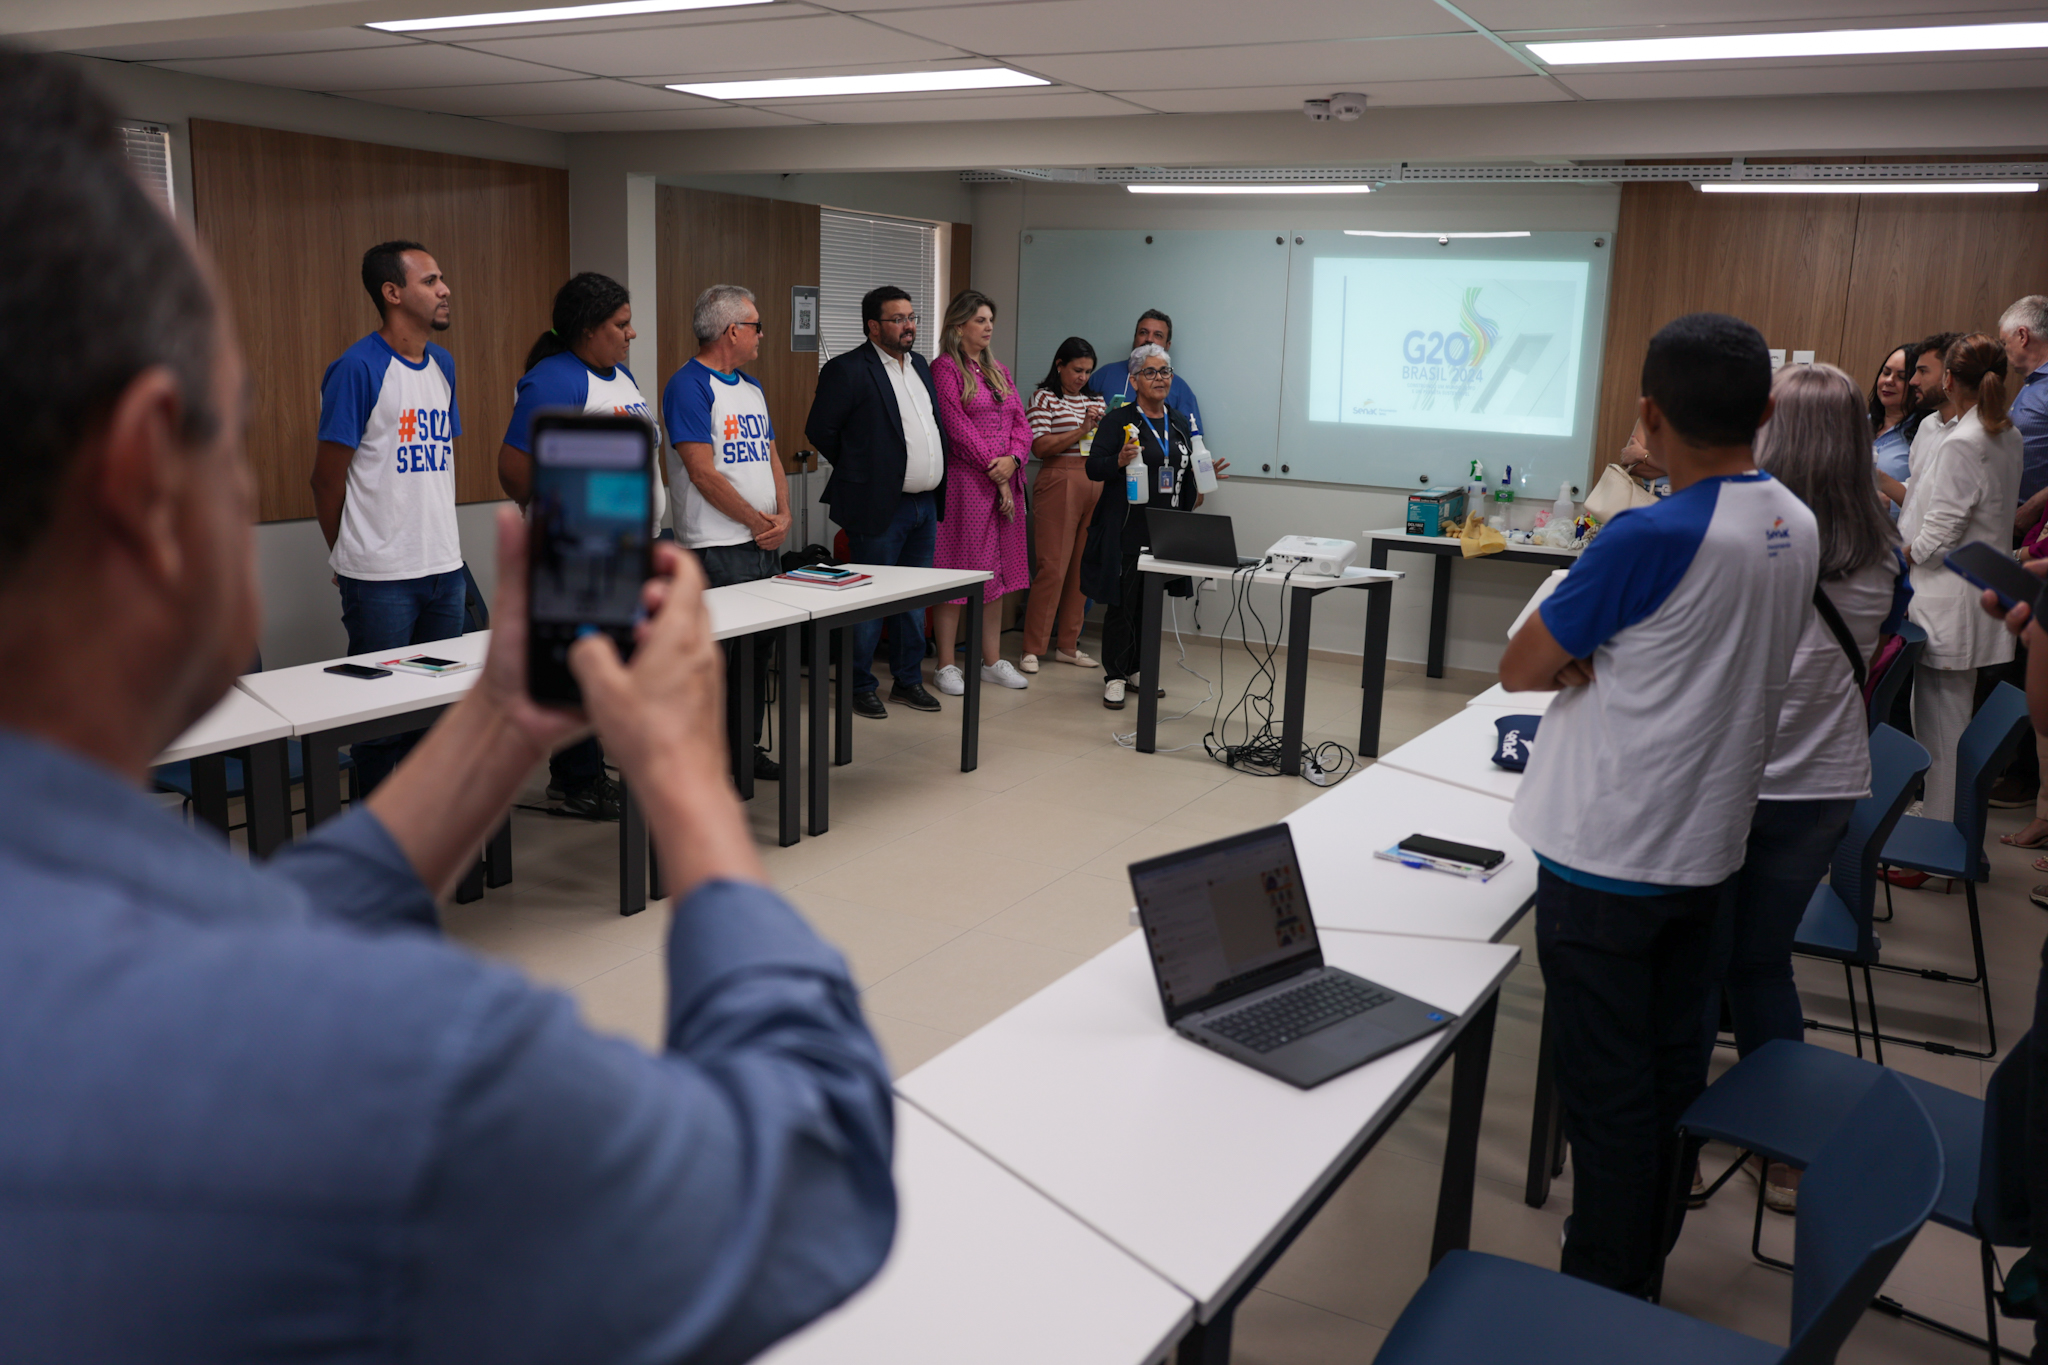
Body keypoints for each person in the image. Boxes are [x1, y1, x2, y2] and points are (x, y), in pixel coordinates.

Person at [0, 47, 894, 1360]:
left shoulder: (88, 938)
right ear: (144, 473)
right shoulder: (398, 1073)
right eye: (225, 419)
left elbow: (238, 950)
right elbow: (807, 1184)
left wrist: (497, 722)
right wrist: (684, 770)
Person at [1501, 313, 1818, 1298]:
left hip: (1605, 859)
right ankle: (1640, 1278)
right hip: (1708, 850)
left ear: (1647, 413)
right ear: (1766, 410)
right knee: (1672, 1082)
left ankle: (1603, 1301)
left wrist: (1586, 651)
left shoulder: (1647, 534)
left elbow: (1521, 665)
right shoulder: (1793, 522)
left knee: (1605, 1103)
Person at [1714, 362, 1910, 1212]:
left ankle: (1672, 1147)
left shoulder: (1744, 539)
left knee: (1694, 967)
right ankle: (1780, 1154)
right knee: (1762, 965)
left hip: (1733, 782)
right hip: (1824, 784)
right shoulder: (1884, 551)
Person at [496, 270, 659, 820]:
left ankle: (588, 771)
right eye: (622, 324)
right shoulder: (555, 379)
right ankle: (574, 781)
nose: (631, 334)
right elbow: (514, 471)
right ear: (588, 329)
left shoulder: (619, 377)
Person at [310, 238, 462, 794]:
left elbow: (436, 466)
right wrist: (346, 554)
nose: (445, 290)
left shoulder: (442, 363)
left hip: (445, 570)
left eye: (441, 279)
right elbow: (326, 479)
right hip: (380, 579)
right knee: (378, 725)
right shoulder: (356, 368)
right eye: (430, 282)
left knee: (434, 717)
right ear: (392, 293)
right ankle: (374, 848)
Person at [663, 284, 790, 781]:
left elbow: (772, 455)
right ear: (732, 330)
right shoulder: (689, 385)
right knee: (715, 662)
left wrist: (783, 514)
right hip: (717, 547)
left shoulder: (751, 387)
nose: (762, 335)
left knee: (757, 655)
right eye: (757, 326)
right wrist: (758, 522)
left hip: (760, 543)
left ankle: (744, 749)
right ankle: (709, 760)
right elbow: (702, 472)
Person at [806, 285, 947, 720]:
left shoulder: (920, 366)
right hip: (878, 507)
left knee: (912, 600)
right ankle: (858, 684)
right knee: (868, 602)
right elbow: (821, 430)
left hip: (924, 505)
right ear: (873, 326)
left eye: (912, 317)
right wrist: (863, 472)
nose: (909, 326)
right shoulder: (848, 369)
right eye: (898, 319)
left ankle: (907, 681)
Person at [1899, 334, 2021, 823]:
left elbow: (1939, 537)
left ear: (1949, 380)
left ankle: (1937, 836)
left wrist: (1901, 552)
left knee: (1940, 731)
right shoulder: (2003, 433)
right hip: (1970, 597)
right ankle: (1943, 819)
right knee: (1946, 722)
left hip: (1946, 599)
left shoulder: (1965, 442)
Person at [1080, 343, 1201, 710]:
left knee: (1150, 605)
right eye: (1150, 372)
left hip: (1165, 528)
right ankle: (1115, 675)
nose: (1159, 378)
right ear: (1134, 380)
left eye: (1165, 371)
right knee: (1123, 603)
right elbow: (1093, 468)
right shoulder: (1119, 420)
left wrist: (1202, 478)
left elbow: (1186, 465)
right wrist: (1117, 460)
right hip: (1127, 526)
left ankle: (1138, 669)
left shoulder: (1178, 421)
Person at [929, 289, 1032, 694]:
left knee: (997, 575)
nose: (988, 327)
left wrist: (1016, 461)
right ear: (958, 326)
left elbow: (1022, 426)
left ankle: (991, 660)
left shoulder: (999, 371)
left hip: (1006, 484)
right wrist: (999, 471)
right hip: (968, 486)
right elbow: (957, 427)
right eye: (980, 320)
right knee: (957, 572)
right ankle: (946, 665)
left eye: (991, 320)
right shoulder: (945, 369)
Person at [1022, 336, 1105, 673]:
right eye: (1076, 370)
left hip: (1094, 481)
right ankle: (1032, 647)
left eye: (1087, 371)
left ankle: (1068, 645)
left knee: (1081, 570)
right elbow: (1039, 447)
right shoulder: (1044, 398)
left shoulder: (1096, 400)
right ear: (1060, 365)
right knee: (1053, 567)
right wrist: (1082, 429)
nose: (1082, 377)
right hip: (1058, 480)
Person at [1088, 308, 1205, 433]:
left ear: (1167, 345)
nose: (1149, 339)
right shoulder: (1105, 376)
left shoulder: (1179, 388)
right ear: (1135, 338)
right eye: (1143, 332)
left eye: (1158, 335)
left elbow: (1193, 437)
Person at [2004, 296, 2048, 525]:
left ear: (2022, 336)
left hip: (2037, 524)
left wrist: (2036, 505)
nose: (2004, 351)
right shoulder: (2033, 384)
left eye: (2004, 342)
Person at [1868, 343, 1914, 492]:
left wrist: (1891, 504)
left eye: (1901, 377)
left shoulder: (1924, 434)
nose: (1889, 381)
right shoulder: (1857, 423)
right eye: (1886, 373)